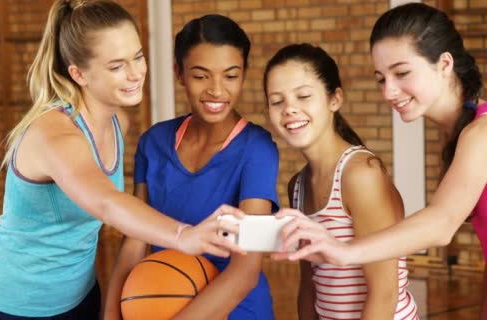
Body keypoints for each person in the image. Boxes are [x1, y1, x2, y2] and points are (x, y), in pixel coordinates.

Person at [0, 1, 245, 319]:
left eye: (137, 57)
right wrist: (183, 235)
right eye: (116, 66)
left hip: (79, 297)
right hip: (11, 304)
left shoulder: (116, 123)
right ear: (79, 73)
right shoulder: (55, 135)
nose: (136, 73)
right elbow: (107, 203)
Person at [274, 2, 486, 316]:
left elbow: (441, 225)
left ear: (444, 64)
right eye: (381, 78)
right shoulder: (460, 135)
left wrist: (344, 252)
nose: (388, 92)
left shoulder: (480, 134)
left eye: (401, 73)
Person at [103, 14, 280, 320]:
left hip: (236, 310)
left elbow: (246, 272)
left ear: (244, 74)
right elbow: (133, 243)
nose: (216, 90)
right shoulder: (153, 143)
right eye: (201, 76)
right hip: (159, 302)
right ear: (179, 73)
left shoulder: (260, 150)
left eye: (230, 75)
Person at [264, 43, 418, 319]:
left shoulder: (360, 175)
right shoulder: (297, 186)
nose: (289, 109)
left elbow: (384, 293)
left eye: (303, 96)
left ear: (334, 99)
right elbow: (309, 286)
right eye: (277, 101)